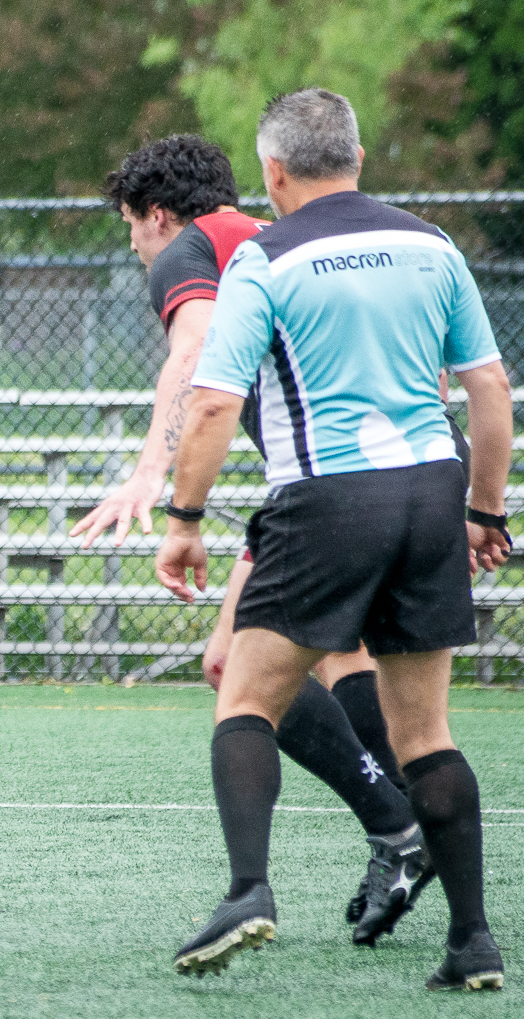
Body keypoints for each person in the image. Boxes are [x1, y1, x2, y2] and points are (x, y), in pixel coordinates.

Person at [156, 89, 511, 990]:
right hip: (432, 494)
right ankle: (473, 942)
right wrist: (485, 512)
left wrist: (186, 519)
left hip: (326, 500)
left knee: (243, 695)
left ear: (273, 172)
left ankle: (248, 892)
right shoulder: (433, 246)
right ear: (356, 156)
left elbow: (212, 403)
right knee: (425, 730)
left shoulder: (266, 259)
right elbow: (489, 395)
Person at [74, 134, 441, 945]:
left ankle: (397, 830)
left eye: (130, 226)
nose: (133, 245)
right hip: (408, 474)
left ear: (159, 215)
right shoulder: (270, 236)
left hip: (327, 493)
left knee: (231, 667)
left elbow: (196, 354)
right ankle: (410, 828)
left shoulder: (193, 252)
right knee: (343, 657)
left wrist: (152, 480)